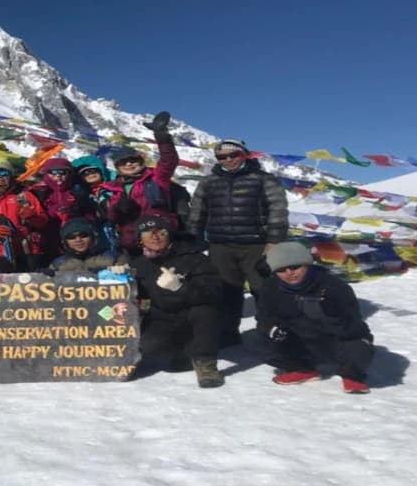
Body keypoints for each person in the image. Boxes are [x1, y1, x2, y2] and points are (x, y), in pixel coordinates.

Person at [188, 138, 289, 345]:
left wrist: (274, 241)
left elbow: (278, 211)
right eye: (222, 157)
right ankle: (228, 334)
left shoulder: (263, 179)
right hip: (220, 245)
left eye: (233, 155)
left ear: (244, 154)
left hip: (257, 244)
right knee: (226, 291)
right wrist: (194, 240)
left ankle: (269, 332)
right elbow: (197, 214)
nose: (228, 160)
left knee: (263, 289)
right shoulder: (208, 182)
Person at [255, 242, 374, 394]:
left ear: (307, 264)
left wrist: (328, 314)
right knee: (262, 337)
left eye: (295, 266)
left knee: (359, 346)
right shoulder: (271, 286)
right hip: (301, 337)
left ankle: (352, 375)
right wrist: (271, 328)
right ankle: (302, 369)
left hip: (335, 337)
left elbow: (354, 326)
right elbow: (264, 316)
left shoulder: (334, 287)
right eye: (281, 269)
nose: (289, 272)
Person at [128, 215, 224, 389]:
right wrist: (117, 278)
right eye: (147, 234)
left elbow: (213, 293)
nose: (155, 237)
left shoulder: (195, 258)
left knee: (205, 311)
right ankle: (184, 354)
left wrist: (180, 288)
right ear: (140, 240)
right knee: (146, 346)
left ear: (170, 235)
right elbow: (136, 298)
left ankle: (206, 364)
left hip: (191, 318)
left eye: (161, 232)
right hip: (162, 318)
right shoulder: (138, 265)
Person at [106, 111, 180, 252]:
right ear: (117, 167)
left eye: (133, 160)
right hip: (131, 244)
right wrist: (117, 210)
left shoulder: (156, 177)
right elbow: (111, 218)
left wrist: (161, 136)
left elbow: (169, 161)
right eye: (123, 162)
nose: (129, 164)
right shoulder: (112, 187)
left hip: (159, 240)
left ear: (141, 162)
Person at [26, 158, 83, 269]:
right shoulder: (38, 192)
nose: (58, 176)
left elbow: (87, 212)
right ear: (46, 174)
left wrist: (74, 213)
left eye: (63, 172)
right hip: (46, 239)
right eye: (53, 172)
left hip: (73, 238)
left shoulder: (77, 191)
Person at [49, 218, 131, 273]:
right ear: (65, 241)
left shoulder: (114, 258)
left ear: (92, 237)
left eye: (83, 235)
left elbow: (128, 285)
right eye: (72, 237)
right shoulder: (57, 265)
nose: (78, 240)